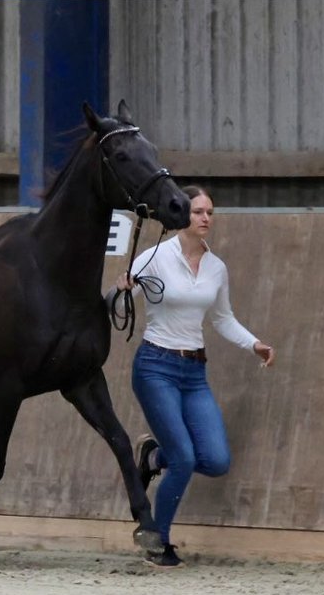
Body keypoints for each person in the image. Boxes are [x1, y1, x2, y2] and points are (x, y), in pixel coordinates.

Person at [111, 185, 275, 568]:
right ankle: (158, 540)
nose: (205, 218)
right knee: (185, 458)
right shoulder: (153, 257)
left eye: (210, 212)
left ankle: (154, 455)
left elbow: (222, 318)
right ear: (180, 213)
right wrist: (121, 290)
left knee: (216, 460)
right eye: (198, 211)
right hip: (155, 367)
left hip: (194, 372)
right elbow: (118, 308)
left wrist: (255, 345)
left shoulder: (217, 267)